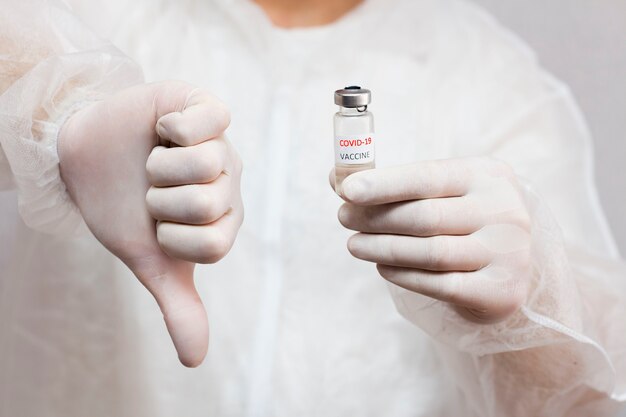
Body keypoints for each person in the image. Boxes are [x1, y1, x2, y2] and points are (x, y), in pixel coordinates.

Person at [0, 0, 625, 416]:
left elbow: (593, 387)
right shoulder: (105, 11)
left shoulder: (489, 75)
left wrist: (539, 299)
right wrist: (59, 116)